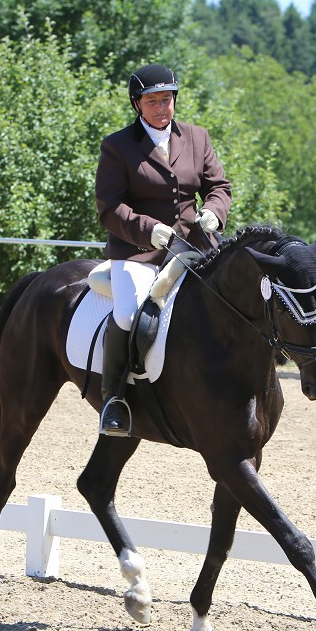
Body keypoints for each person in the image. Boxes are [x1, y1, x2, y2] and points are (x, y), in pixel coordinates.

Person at [94, 63, 232, 436]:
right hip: (139, 250)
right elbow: (109, 207)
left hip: (194, 245)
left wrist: (213, 214)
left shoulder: (197, 138)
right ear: (137, 104)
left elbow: (219, 185)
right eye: (152, 101)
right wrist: (146, 228)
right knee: (128, 313)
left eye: (167, 100)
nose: (161, 108)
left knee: (233, 297)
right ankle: (115, 398)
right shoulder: (117, 146)